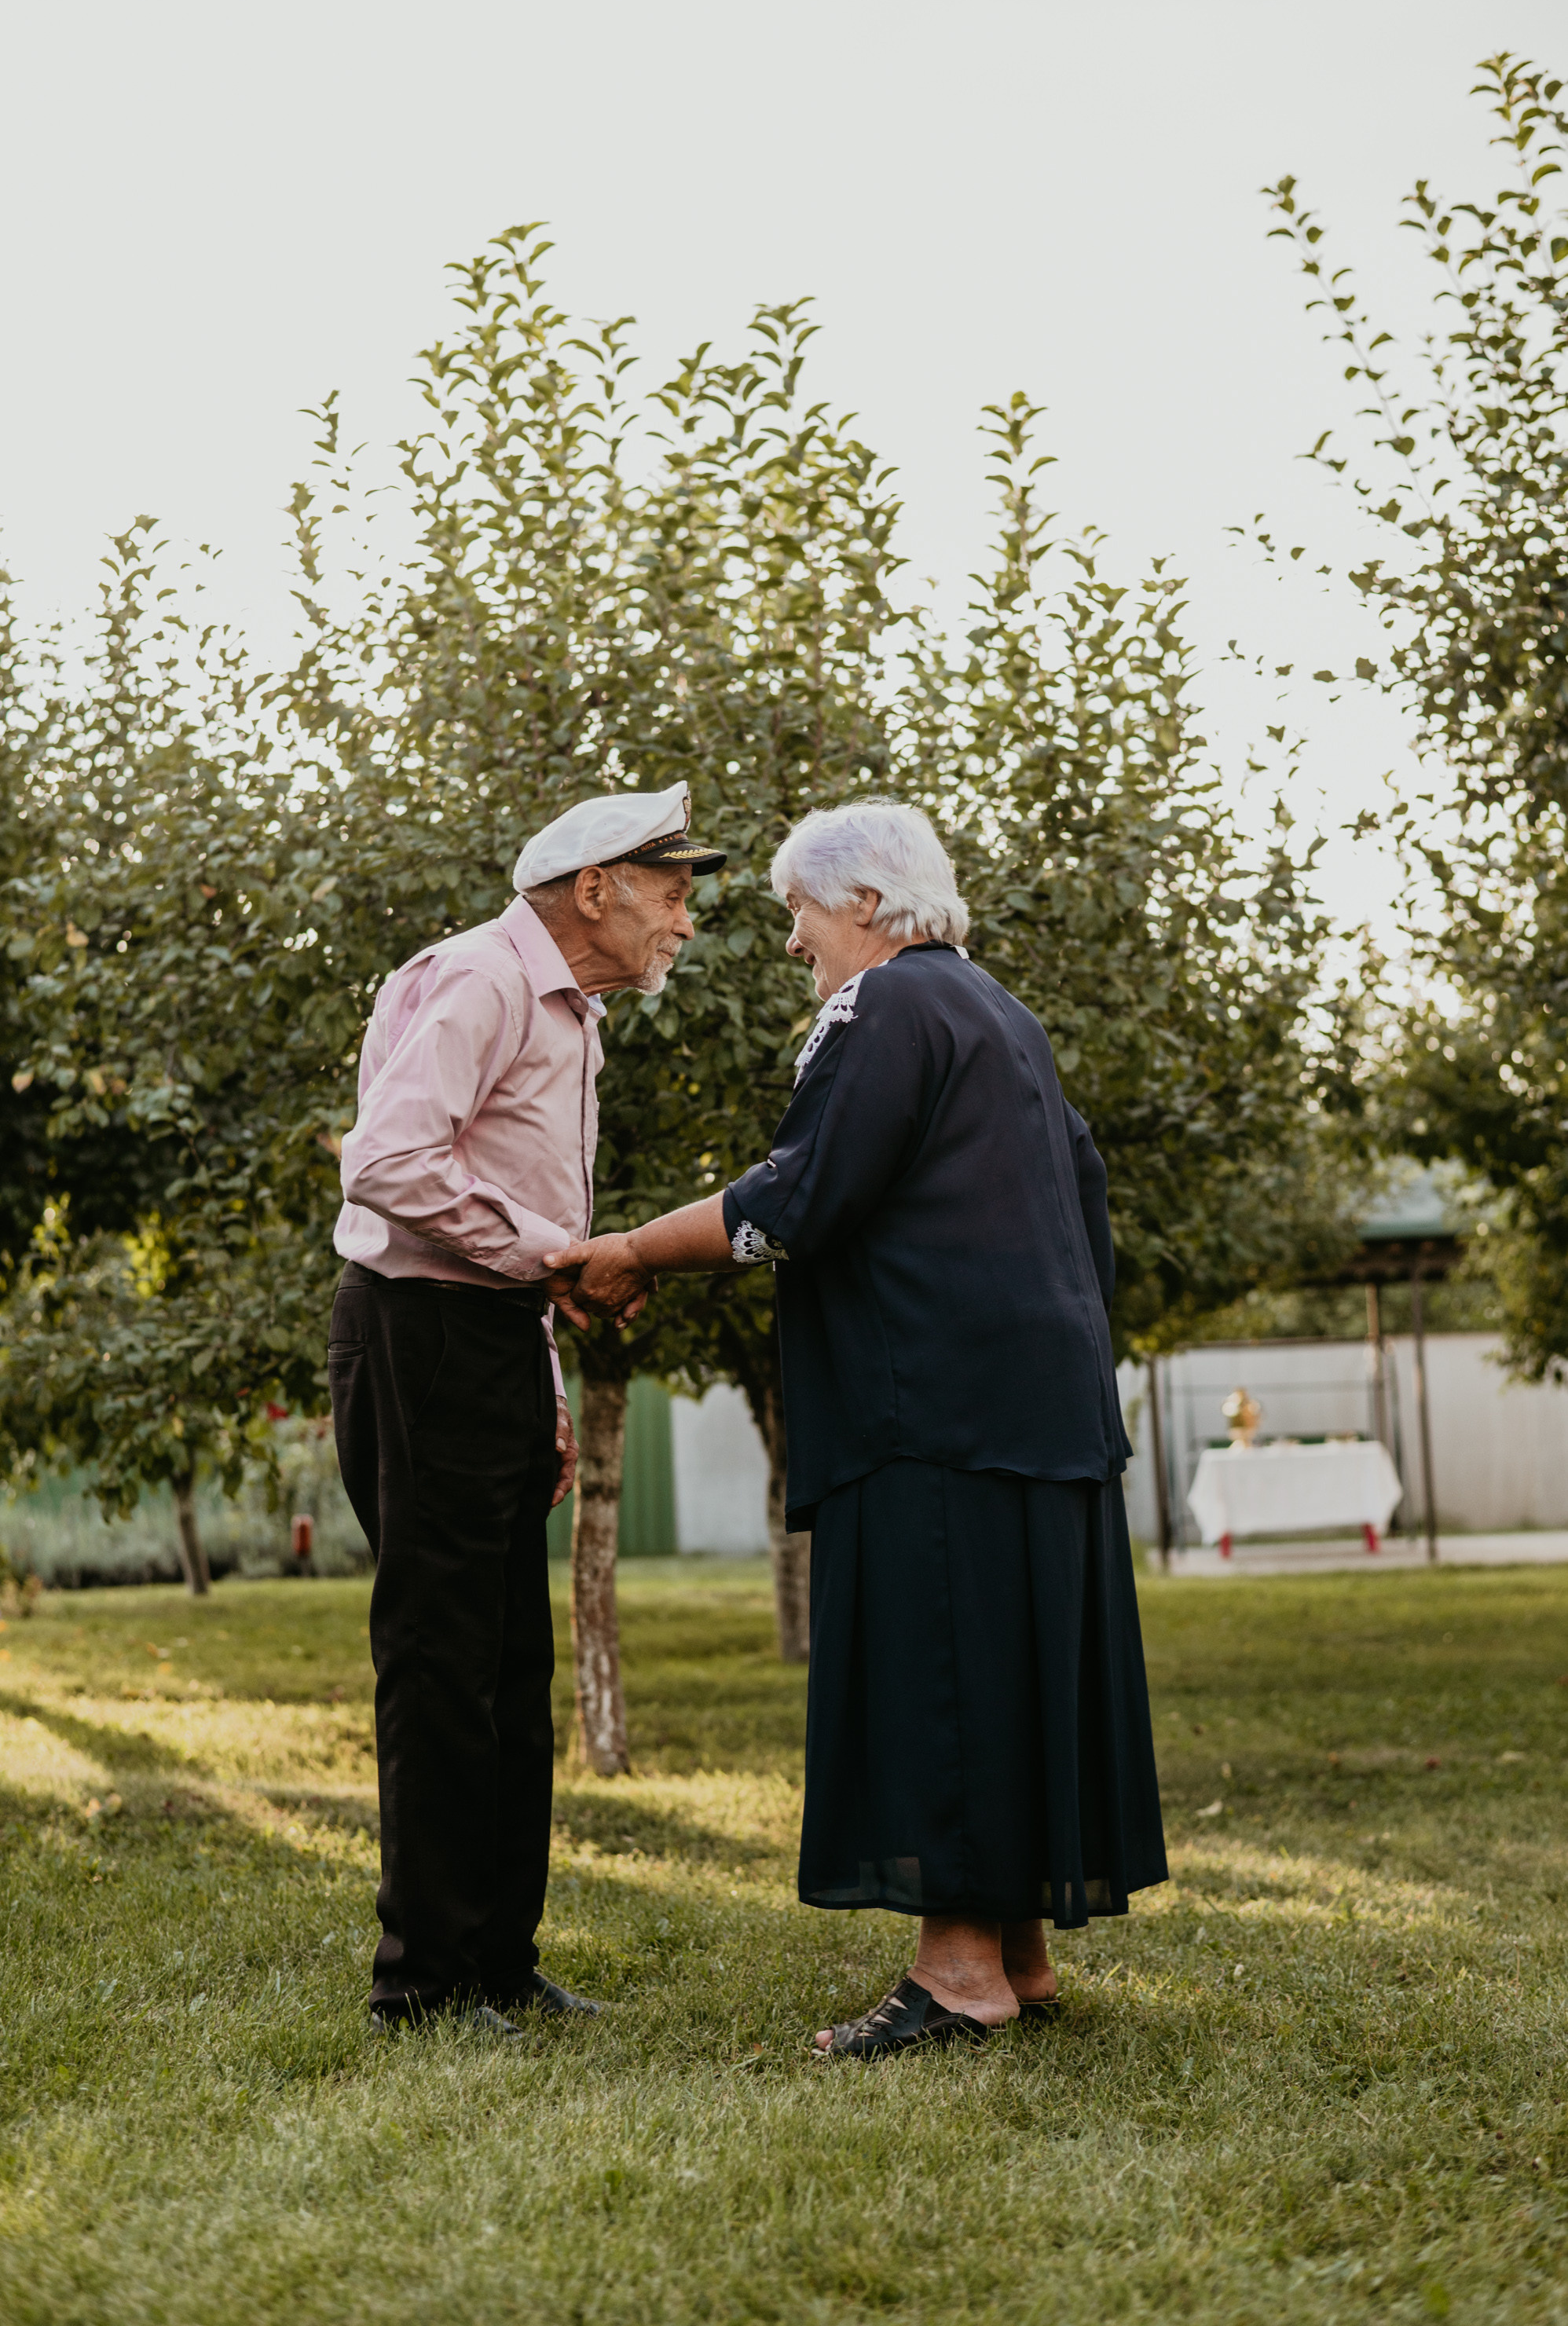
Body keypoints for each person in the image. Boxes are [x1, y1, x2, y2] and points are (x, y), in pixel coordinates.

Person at [544, 800, 1166, 2056]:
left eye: (800, 909)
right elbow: (1085, 1194)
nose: (792, 941)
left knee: (942, 1670)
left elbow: (802, 1191)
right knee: (1013, 1665)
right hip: (1041, 1403)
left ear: (868, 906)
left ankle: (960, 1978)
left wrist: (633, 1250)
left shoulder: (885, 1005)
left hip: (931, 1402)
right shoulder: (1001, 1013)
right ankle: (1021, 1957)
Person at [329, 782, 726, 2035]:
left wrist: (544, 1383)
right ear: (595, 890)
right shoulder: (484, 979)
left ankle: (498, 1963)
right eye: (672, 894)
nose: (686, 923)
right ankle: (423, 1986)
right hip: (424, 1334)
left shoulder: (569, 1009)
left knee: (509, 1667)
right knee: (442, 1664)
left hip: (491, 1336)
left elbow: (506, 1210)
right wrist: (554, 1258)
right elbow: (388, 1162)